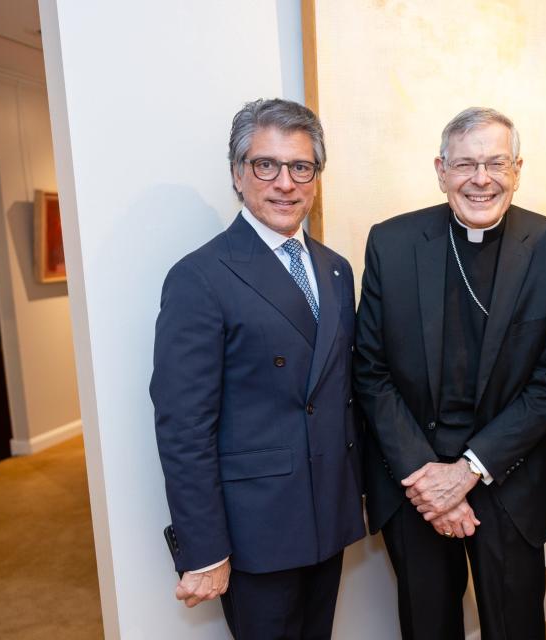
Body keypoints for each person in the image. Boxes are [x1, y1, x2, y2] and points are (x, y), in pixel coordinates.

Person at [353, 107, 546, 639]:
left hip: (508, 475)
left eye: (496, 163)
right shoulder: (392, 243)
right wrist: (427, 478)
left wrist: (468, 471)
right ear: (440, 170)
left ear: (518, 170)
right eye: (465, 164)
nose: (481, 179)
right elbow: (370, 369)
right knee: (427, 627)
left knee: (515, 627)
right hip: (414, 482)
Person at [150, 98, 364, 639]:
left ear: (316, 177)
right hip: (254, 533)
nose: (285, 183)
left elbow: (340, 393)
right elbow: (183, 425)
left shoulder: (335, 268)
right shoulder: (200, 277)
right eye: (265, 165)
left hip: (328, 515)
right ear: (237, 175)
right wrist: (204, 550)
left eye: (301, 167)